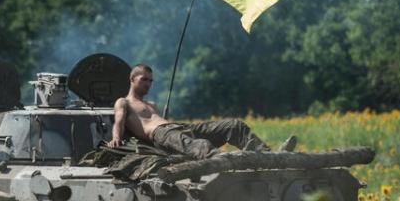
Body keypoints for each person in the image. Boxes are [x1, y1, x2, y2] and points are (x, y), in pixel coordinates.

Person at [107, 63, 295, 159]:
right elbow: (119, 121)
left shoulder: (152, 104)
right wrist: (116, 138)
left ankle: (269, 156)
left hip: (178, 128)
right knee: (202, 145)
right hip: (160, 135)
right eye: (144, 80)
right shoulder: (124, 102)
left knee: (233, 126)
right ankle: (225, 162)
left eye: (150, 80)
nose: (148, 84)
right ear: (132, 79)